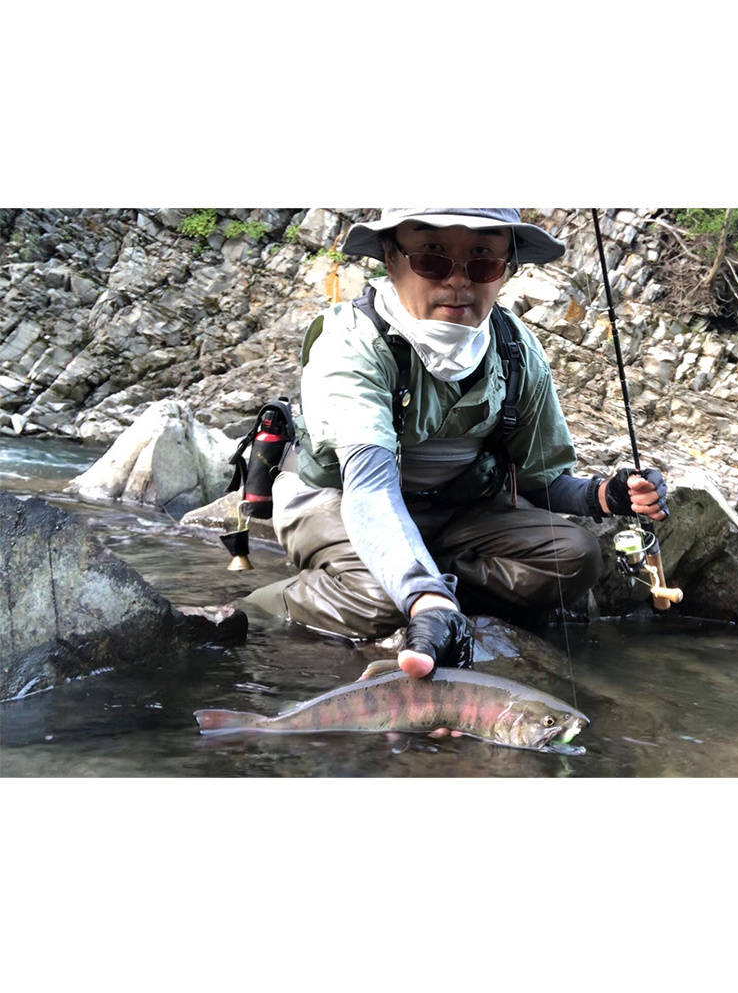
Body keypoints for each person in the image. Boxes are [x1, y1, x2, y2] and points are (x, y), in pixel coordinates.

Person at [246, 209, 667, 679]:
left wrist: (606, 495)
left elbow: (541, 481)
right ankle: (260, 606)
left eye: (483, 261)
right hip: (339, 502)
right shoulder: (350, 342)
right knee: (388, 600)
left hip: (454, 514)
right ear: (390, 257)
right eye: (431, 258)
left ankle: (419, 572)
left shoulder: (515, 350)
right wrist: (424, 600)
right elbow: (367, 489)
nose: (458, 281)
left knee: (576, 555)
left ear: (504, 271)